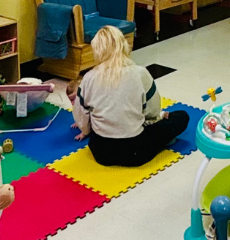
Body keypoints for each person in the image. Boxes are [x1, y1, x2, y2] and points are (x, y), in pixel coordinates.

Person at [71, 26, 186, 167]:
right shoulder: (140, 73)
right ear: (123, 46)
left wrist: (88, 129)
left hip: (101, 152)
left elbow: (81, 116)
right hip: (135, 151)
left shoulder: (88, 78)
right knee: (181, 116)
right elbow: (153, 111)